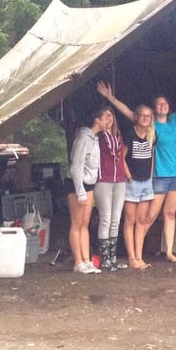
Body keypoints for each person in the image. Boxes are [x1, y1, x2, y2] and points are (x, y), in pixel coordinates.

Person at [98, 72, 176, 263]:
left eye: (165, 104)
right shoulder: (150, 123)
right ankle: (135, 253)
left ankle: (170, 252)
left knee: (171, 213)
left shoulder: (174, 120)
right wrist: (110, 97)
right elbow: (129, 112)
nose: (162, 106)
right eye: (158, 104)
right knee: (149, 216)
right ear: (154, 109)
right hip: (157, 175)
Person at [67, 104, 112, 274]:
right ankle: (78, 262)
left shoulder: (95, 138)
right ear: (97, 120)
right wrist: (80, 191)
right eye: (106, 117)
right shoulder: (83, 139)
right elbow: (76, 167)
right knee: (77, 223)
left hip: (90, 184)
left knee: (85, 223)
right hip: (77, 184)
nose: (109, 120)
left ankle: (87, 260)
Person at [120, 104, 156, 270]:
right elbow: (121, 157)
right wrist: (128, 176)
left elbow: (152, 156)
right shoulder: (130, 134)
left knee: (141, 221)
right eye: (142, 115)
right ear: (136, 117)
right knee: (130, 220)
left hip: (146, 182)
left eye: (148, 116)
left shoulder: (151, 135)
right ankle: (131, 257)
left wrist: (149, 176)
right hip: (132, 181)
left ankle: (139, 256)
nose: (145, 118)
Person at [95, 107, 128, 271]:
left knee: (116, 219)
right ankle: (104, 259)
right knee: (106, 218)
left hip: (119, 180)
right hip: (104, 180)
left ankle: (113, 258)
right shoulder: (98, 137)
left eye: (111, 115)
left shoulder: (118, 136)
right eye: (106, 115)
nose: (109, 118)